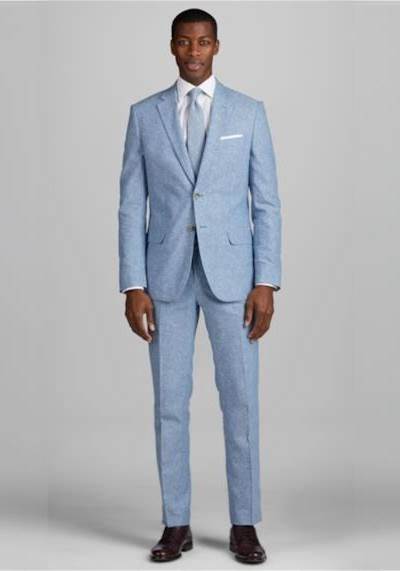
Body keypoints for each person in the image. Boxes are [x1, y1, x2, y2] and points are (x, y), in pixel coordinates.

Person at [118, 8, 282, 564]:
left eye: (204, 42)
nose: (194, 51)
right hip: (165, 277)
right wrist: (133, 283)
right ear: (172, 46)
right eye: (185, 42)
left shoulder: (248, 112)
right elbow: (130, 204)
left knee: (240, 401)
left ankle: (244, 525)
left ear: (217, 46)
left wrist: (266, 280)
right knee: (170, 404)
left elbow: (267, 203)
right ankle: (176, 523)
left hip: (234, 279)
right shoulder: (144, 115)